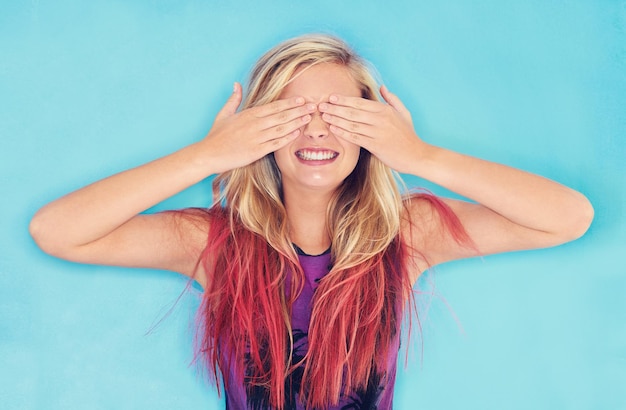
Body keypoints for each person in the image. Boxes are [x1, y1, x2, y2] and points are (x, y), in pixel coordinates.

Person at [29, 34, 593, 409]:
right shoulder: (214, 243)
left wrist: (420, 156)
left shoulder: (409, 235)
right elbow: (55, 230)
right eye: (292, 114)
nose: (317, 130)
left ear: (373, 129)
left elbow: (569, 217)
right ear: (259, 131)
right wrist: (206, 156)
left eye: (340, 114)